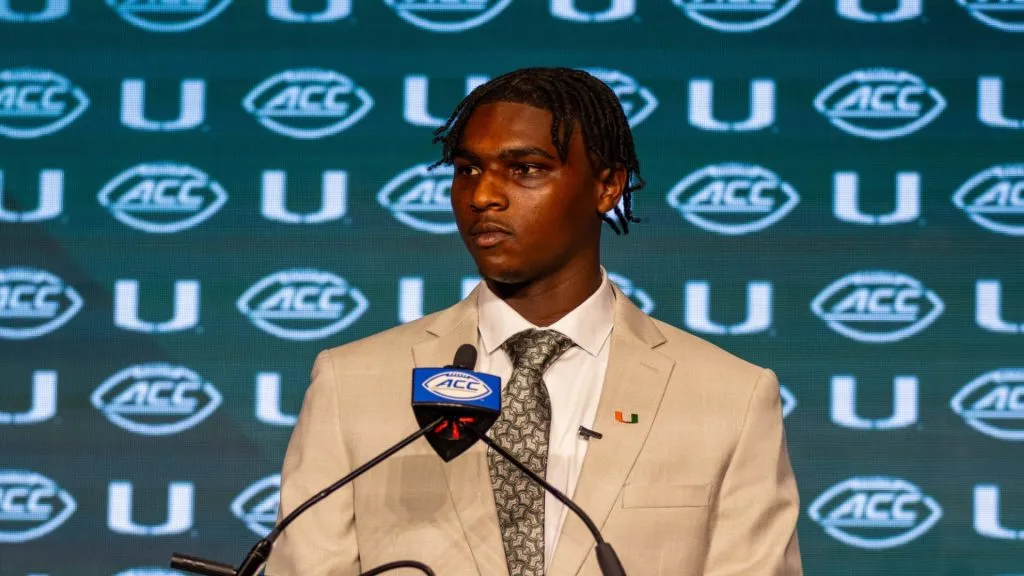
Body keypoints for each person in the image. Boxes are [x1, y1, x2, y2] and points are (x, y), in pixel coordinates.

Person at [264, 67, 802, 576]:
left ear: (607, 186)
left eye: (525, 169)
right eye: (467, 169)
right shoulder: (353, 384)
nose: (482, 195)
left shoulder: (729, 397)